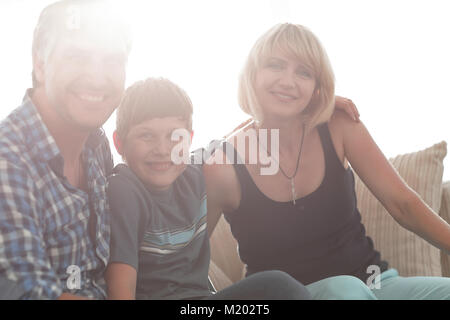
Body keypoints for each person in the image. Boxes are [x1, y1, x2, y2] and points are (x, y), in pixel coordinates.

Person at [204, 23, 450, 300]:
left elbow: (403, 205)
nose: (288, 81)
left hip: (376, 285)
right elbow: (186, 257)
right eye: (275, 65)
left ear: (317, 87)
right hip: (295, 296)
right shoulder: (222, 165)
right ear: (252, 74)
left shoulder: (339, 125)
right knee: (345, 290)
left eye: (304, 72)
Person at [104, 77, 314, 300]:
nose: (163, 149)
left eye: (175, 136)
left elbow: (245, 137)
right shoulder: (124, 191)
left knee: (281, 288)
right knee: (279, 287)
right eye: (147, 136)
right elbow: (120, 286)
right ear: (119, 143)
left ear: (190, 139)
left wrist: (313, 108)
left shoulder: (198, 172)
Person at [0, 0, 131, 299]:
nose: (97, 77)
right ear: (40, 64)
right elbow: (27, 291)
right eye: (77, 56)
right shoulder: (8, 159)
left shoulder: (96, 145)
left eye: (112, 60)